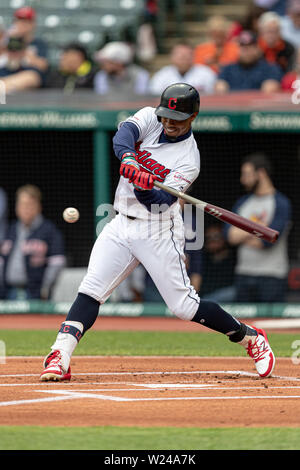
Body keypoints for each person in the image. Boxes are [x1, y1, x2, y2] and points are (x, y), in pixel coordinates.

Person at [39, 83, 275, 383]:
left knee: (184, 307)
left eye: (177, 119)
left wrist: (144, 186)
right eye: (167, 116)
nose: (169, 123)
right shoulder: (151, 117)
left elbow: (161, 203)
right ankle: (60, 354)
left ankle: (249, 337)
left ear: (193, 117)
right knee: (91, 288)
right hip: (120, 223)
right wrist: (129, 160)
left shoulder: (189, 160)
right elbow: (123, 135)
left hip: (158, 230)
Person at [225, 153, 292, 303]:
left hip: (272, 276)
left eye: (247, 174)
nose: (243, 180)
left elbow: (268, 240)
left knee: (271, 324)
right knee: (241, 325)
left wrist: (242, 233)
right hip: (244, 273)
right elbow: (229, 236)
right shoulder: (242, 202)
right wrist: (258, 229)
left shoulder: (281, 203)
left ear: (261, 173)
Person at [0, 185, 66, 301]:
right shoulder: (9, 231)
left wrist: (45, 288)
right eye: (22, 204)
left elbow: (57, 262)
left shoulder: (49, 231)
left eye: (29, 204)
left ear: (38, 207)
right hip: (8, 292)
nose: (25, 209)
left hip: (35, 294)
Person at [215, 30, 283, 93]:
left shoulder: (270, 69)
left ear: (257, 48)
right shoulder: (228, 69)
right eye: (242, 46)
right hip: (232, 105)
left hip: (259, 105)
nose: (246, 50)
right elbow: (220, 89)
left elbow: (270, 90)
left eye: (250, 46)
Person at [149, 43, 217, 95]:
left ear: (193, 56)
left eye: (187, 55)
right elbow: (155, 97)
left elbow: (213, 96)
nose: (184, 59)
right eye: (181, 56)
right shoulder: (162, 75)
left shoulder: (206, 73)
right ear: (172, 57)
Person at [200, 223, 236, 303]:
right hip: (205, 298)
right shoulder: (202, 258)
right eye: (208, 238)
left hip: (228, 299)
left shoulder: (234, 257)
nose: (212, 240)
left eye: (216, 236)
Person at [9, 6, 48, 75]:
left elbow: (43, 66)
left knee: (30, 76)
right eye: (19, 21)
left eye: (26, 22)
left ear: (33, 24)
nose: (22, 24)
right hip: (8, 75)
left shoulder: (39, 43)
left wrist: (23, 51)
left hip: (29, 76)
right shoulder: (8, 40)